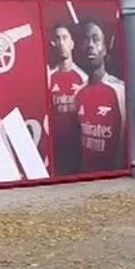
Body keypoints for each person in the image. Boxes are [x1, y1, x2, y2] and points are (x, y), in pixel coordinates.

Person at [74, 19, 127, 173]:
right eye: (86, 40)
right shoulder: (78, 92)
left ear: (104, 49)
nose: (90, 45)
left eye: (96, 40)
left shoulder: (119, 90)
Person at [45, 21, 87, 175]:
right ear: (53, 43)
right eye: (57, 38)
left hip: (76, 147)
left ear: (72, 43)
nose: (61, 42)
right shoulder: (49, 77)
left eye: (65, 37)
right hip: (56, 147)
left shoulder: (83, 78)